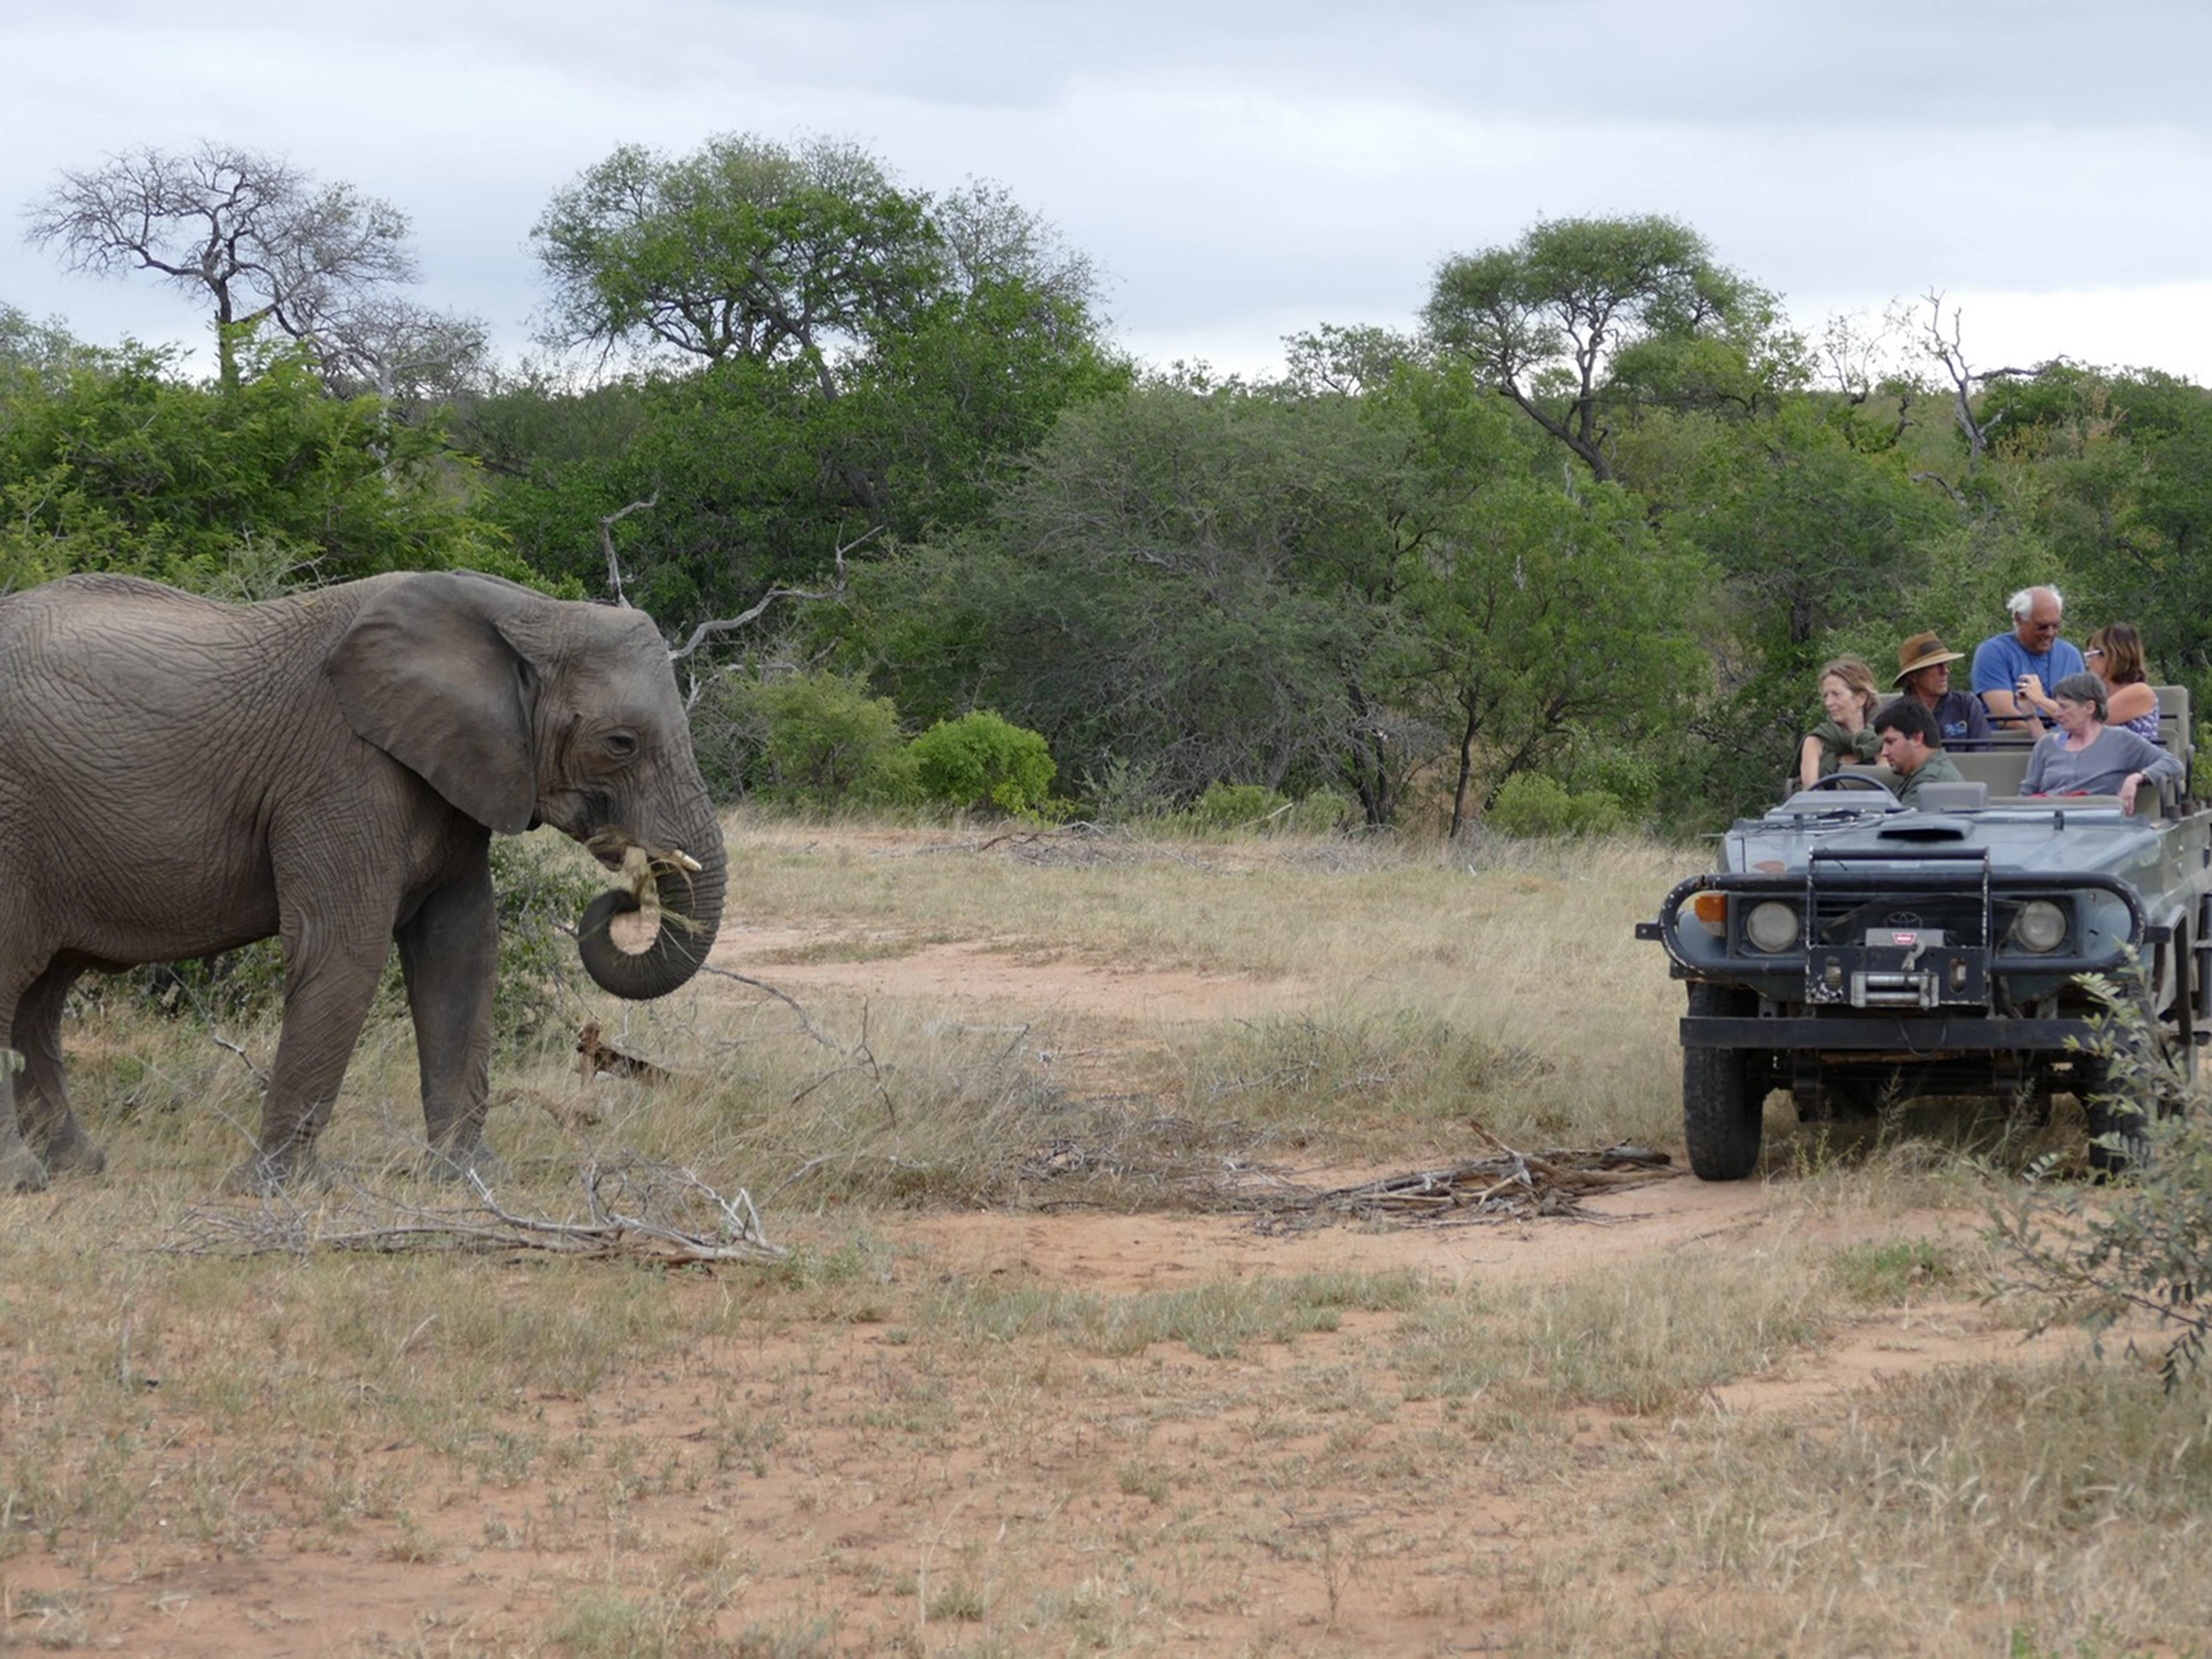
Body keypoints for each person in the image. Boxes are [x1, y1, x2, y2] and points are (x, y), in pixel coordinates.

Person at [2021, 672, 2181, 813]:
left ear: (2089, 707)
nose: (2057, 713)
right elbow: (2026, 794)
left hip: (2098, 826)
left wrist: (2136, 778)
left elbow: (2172, 763)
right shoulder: (2047, 744)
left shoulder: (2121, 740)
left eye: (2064, 707)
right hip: (2047, 822)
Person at [1972, 586, 2086, 732]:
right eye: (2042, 627)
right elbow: (2006, 717)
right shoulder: (1993, 652)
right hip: (2016, 745)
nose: (2050, 633)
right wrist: (2046, 738)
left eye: (2056, 626)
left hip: (2068, 743)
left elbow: (2082, 715)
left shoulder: (2071, 655)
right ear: (2019, 619)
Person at [1892, 631, 1992, 750]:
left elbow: (1983, 753)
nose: (1945, 671)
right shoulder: (1895, 715)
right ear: (1913, 676)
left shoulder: (1966, 705)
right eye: (1936, 666)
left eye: (1945, 665)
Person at [1797, 656, 1881, 790]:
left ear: (1861, 698)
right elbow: (1810, 794)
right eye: (1826, 696)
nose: (1828, 703)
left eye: (1836, 694)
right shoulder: (1815, 742)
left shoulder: (1878, 741)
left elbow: (1891, 788)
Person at [1872, 700, 1964, 810]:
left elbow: (1902, 824)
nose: (1884, 752)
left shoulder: (1930, 782)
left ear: (1916, 739)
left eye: (1890, 742)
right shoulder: (1922, 776)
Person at [2083, 623, 2162, 742]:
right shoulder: (2099, 696)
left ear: (2109, 656)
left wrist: (2043, 700)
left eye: (2090, 655)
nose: (2088, 663)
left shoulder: (2141, 692)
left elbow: (2085, 719)